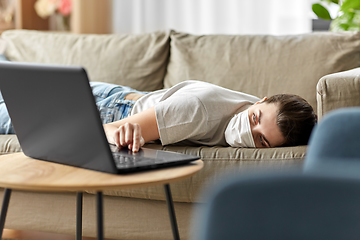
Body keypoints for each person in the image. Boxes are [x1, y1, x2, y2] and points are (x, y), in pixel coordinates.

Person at [0, 80, 317, 152]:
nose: (250, 132)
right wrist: (118, 133)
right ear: (258, 101)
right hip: (109, 108)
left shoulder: (258, 108)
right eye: (254, 118)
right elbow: (109, 128)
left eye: (261, 141)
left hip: (123, 96)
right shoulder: (198, 110)